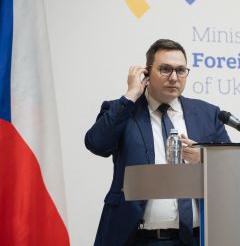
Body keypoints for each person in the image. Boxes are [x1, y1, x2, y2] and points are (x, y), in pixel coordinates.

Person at [85, 39, 230, 246]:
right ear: (146, 72)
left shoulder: (208, 114)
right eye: (165, 69)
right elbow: (96, 144)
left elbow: (231, 172)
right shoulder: (124, 110)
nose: (174, 77)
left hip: (197, 238)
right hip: (137, 239)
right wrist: (130, 95)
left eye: (181, 70)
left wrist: (205, 159)